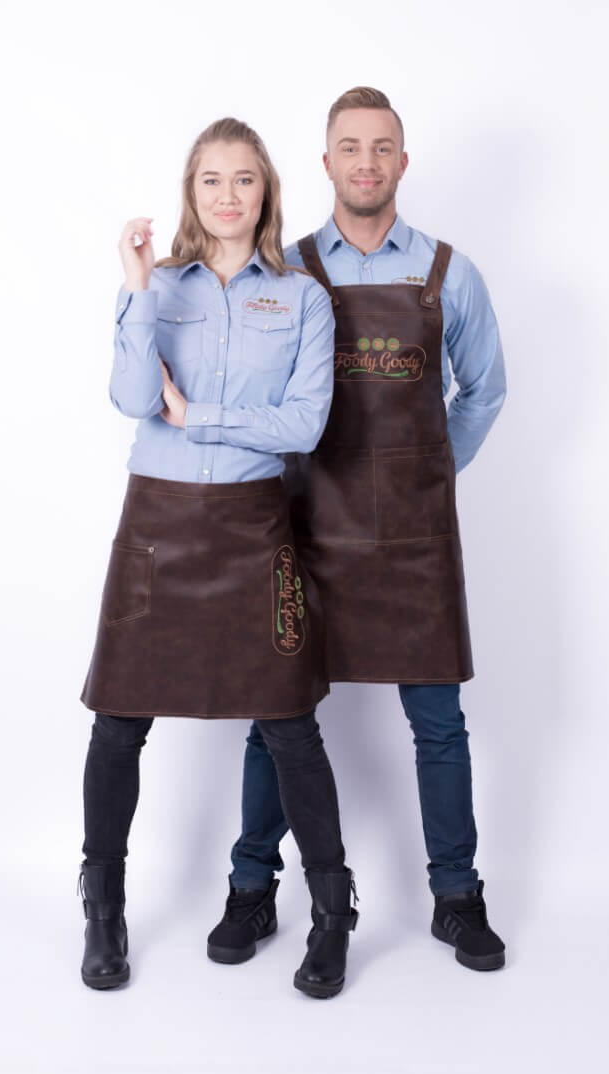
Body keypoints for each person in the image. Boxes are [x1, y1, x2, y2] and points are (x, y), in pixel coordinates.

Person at [212, 87, 507, 972]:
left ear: (402, 163)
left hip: (417, 543)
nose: (367, 163)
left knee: (439, 724)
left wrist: (427, 470)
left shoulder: (451, 273)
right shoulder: (288, 272)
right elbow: (259, 395)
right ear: (327, 162)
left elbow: (484, 391)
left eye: (382, 148)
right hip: (305, 534)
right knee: (274, 720)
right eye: (350, 147)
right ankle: (252, 887)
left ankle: (456, 896)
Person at [77, 117, 358, 998]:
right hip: (157, 525)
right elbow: (133, 396)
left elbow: (303, 426)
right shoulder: (159, 286)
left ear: (266, 191)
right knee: (118, 721)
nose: (228, 195)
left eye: (244, 179)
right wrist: (135, 285)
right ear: (191, 193)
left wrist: (197, 415)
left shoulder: (303, 299)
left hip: (251, 529)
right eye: (211, 180)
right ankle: (103, 908)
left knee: (288, 721)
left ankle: (331, 910)